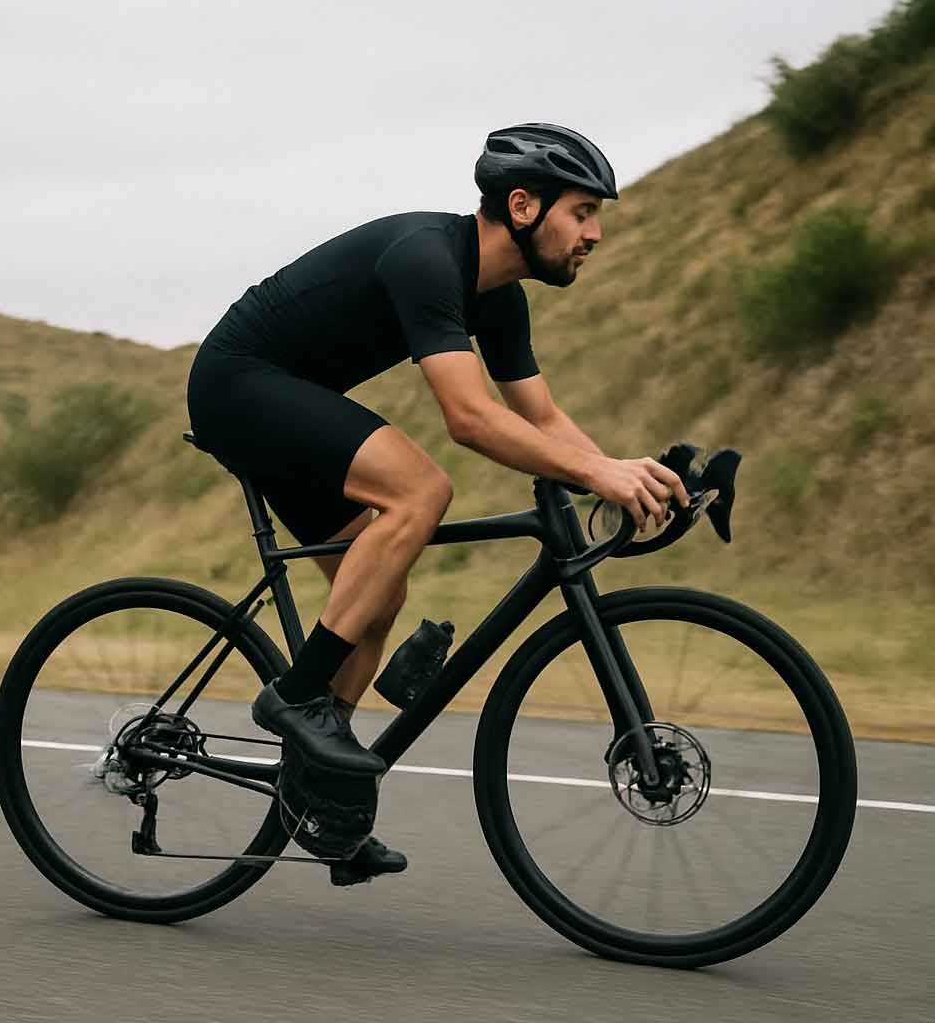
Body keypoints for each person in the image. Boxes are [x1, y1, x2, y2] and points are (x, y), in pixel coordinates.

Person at [186, 123, 690, 882]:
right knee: (420, 491)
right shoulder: (428, 258)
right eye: (583, 212)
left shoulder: (500, 302)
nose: (595, 233)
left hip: (291, 400)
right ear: (522, 204)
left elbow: (545, 421)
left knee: (375, 592)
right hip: (238, 383)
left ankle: (325, 799)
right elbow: (471, 418)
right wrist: (599, 477)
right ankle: (294, 699)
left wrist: (623, 472)